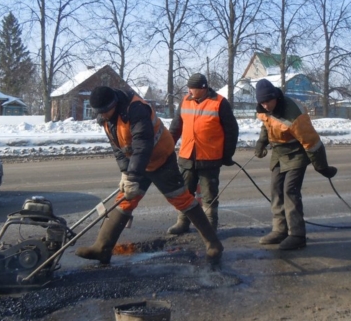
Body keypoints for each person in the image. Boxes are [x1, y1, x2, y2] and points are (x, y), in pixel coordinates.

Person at [75, 86, 223, 263]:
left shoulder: (136, 109)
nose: (103, 115)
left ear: (114, 103)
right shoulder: (106, 119)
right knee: (125, 199)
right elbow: (118, 148)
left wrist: (132, 176)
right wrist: (125, 173)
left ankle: (214, 244)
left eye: (106, 111)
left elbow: (142, 144)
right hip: (138, 162)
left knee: (181, 198)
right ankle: (102, 248)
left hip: (160, 158)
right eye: (100, 113)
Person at [254, 79, 337, 250]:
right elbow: (267, 125)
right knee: (276, 189)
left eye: (268, 101)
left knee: (289, 190)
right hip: (279, 153)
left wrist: (322, 167)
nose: (265, 105)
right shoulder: (263, 109)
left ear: (275, 97)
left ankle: (297, 235)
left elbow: (312, 142)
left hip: (297, 153)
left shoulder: (293, 114)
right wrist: (261, 143)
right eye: (262, 102)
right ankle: (280, 229)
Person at [166, 73, 239, 234]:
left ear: (202, 88)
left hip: (209, 158)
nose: (189, 91)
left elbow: (231, 131)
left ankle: (209, 226)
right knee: (184, 193)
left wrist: (227, 155)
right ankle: (183, 222)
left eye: (192, 88)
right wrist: (166, 147)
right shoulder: (185, 101)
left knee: (209, 195)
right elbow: (175, 127)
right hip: (186, 156)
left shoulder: (219, 103)